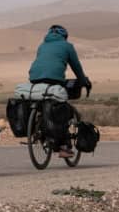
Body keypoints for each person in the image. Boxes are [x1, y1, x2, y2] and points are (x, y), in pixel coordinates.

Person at [28, 25, 90, 157]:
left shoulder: (42, 46)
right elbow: (76, 66)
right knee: (62, 109)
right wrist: (83, 81)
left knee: (44, 102)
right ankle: (63, 146)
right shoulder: (67, 46)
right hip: (54, 79)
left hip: (34, 78)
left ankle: (39, 127)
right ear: (65, 36)